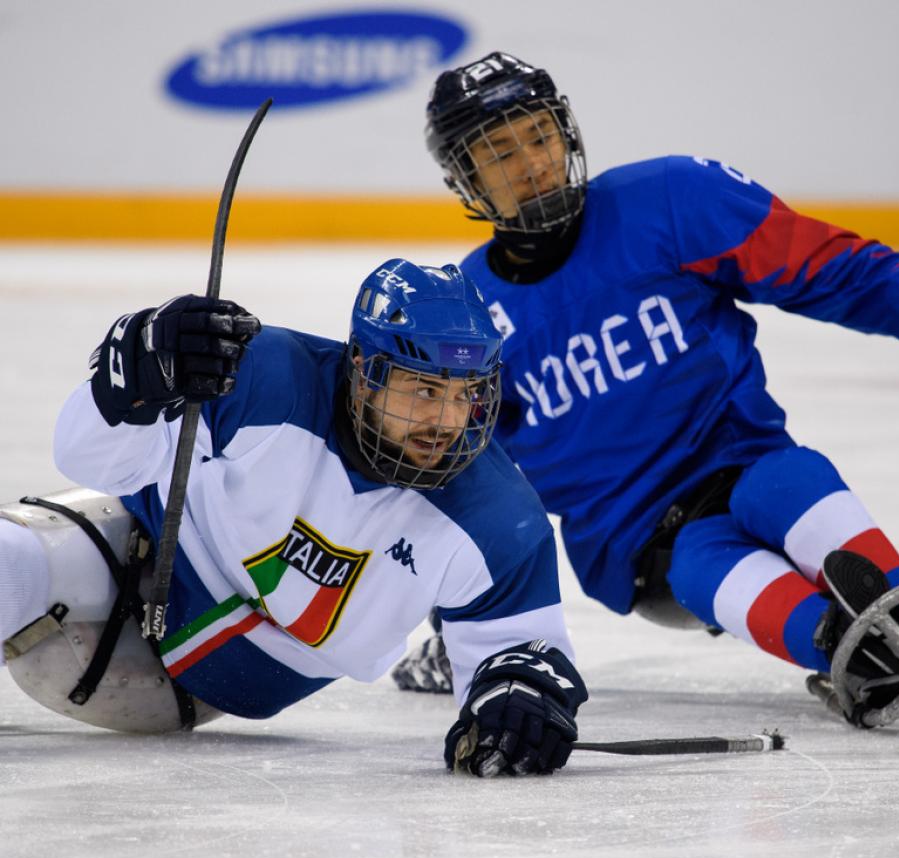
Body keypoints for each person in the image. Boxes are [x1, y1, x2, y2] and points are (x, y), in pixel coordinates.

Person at [393, 51, 899, 729]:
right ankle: (850, 653)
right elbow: (458, 480)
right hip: (644, 544)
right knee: (700, 560)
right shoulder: (466, 318)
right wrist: (464, 623)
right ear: (467, 180)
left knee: (786, 479)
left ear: (566, 132)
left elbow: (822, 266)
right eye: (502, 152)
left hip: (743, 455)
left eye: (540, 135)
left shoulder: (670, 202)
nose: (534, 163)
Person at [0, 258, 587, 777]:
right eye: (423, 390)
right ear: (363, 368)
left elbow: (520, 651)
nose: (448, 421)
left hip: (204, 693)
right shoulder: (264, 375)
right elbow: (90, 457)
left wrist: (520, 698)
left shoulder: (500, 518)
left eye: (466, 393)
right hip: (130, 559)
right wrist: (138, 379)